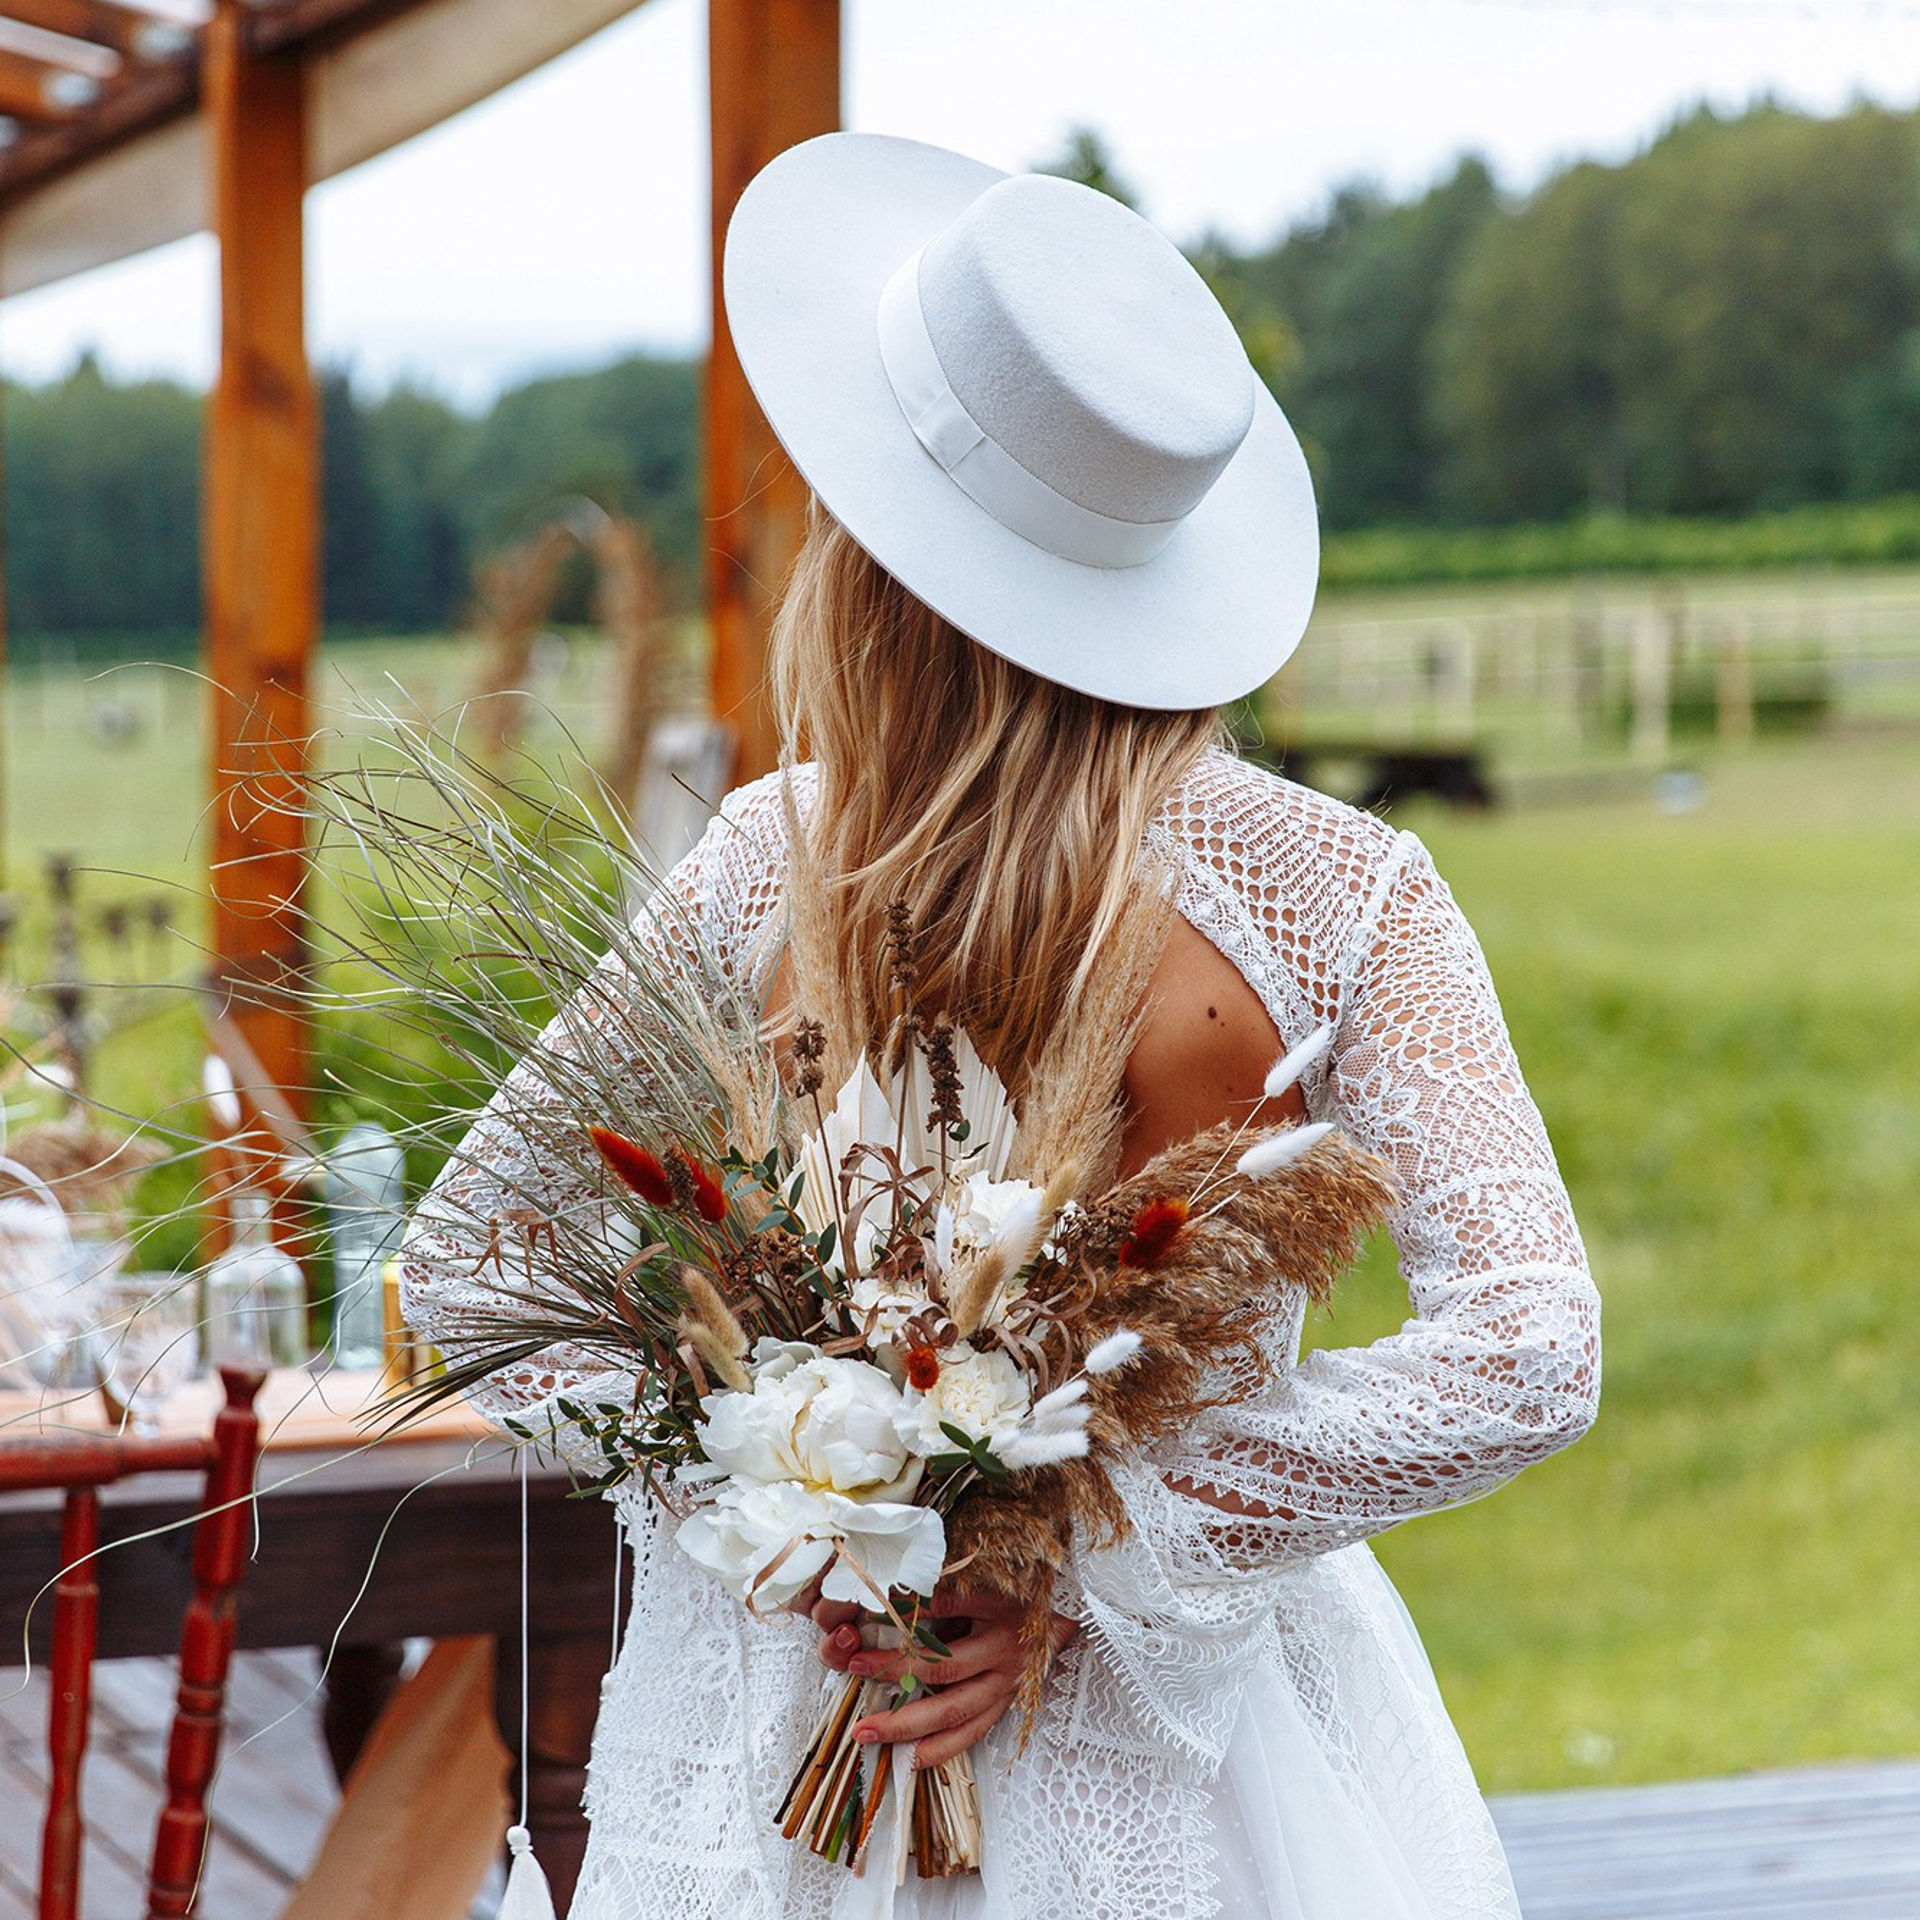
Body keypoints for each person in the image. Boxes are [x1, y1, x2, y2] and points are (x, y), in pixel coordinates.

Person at [403, 134, 1600, 1920]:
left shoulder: (769, 862)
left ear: (873, 550)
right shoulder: (1350, 895)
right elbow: (1530, 1348)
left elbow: (470, 1276)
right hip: (1198, 1774)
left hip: (803, 1726)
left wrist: (791, 1505)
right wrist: (1093, 1539)